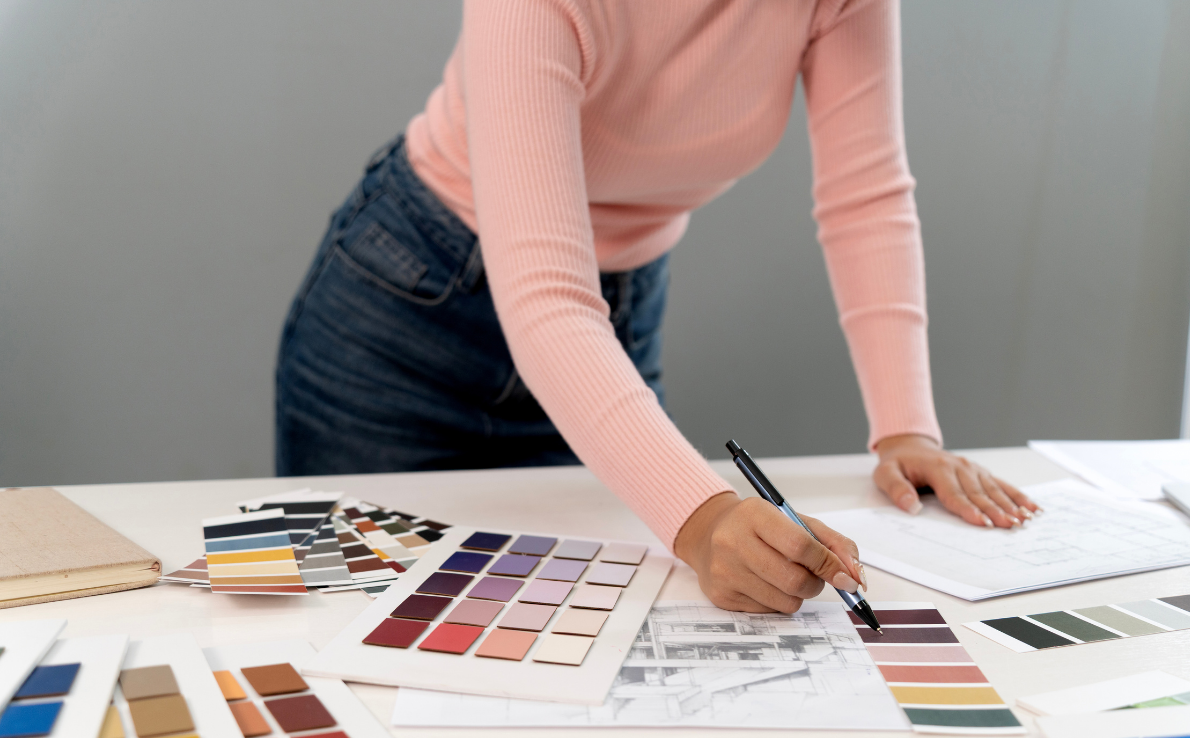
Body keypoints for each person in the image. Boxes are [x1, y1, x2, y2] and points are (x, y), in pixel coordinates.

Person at [275, 0, 1040, 614]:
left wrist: (906, 429)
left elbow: (866, 199)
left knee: (559, 641)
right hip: (408, 317)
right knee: (349, 622)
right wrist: (701, 517)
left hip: (608, 321)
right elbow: (546, 294)